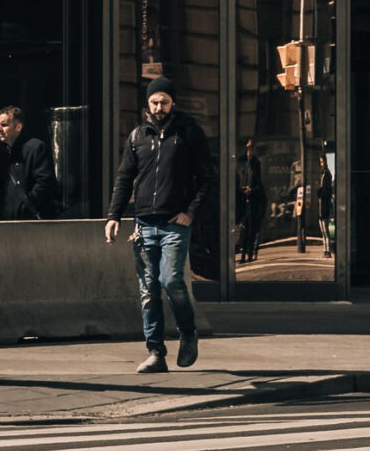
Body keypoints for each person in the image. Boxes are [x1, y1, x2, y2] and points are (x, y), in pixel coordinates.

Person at [103, 77, 213, 374]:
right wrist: (114, 216)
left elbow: (206, 178)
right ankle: (155, 352)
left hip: (174, 223)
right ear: (147, 105)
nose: (159, 107)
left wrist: (190, 212)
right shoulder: (138, 136)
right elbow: (124, 178)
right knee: (148, 290)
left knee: (171, 280)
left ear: (173, 103)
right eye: (154, 102)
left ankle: (187, 332)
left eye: (164, 102)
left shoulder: (189, 133)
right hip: (143, 224)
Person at [0, 106, 57, 219]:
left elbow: (45, 184)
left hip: (32, 223)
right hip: (8, 224)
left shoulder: (36, 148)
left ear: (18, 127)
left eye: (4, 125)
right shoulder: (4, 154)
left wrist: (25, 207)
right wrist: (1, 210)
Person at [235, 139, 266, 262]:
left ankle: (249, 254)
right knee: (245, 228)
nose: (248, 152)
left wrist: (251, 190)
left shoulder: (255, 164)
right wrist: (244, 189)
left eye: (250, 149)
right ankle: (244, 253)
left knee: (251, 228)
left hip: (254, 202)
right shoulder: (247, 164)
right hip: (247, 200)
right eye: (248, 149)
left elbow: (258, 185)